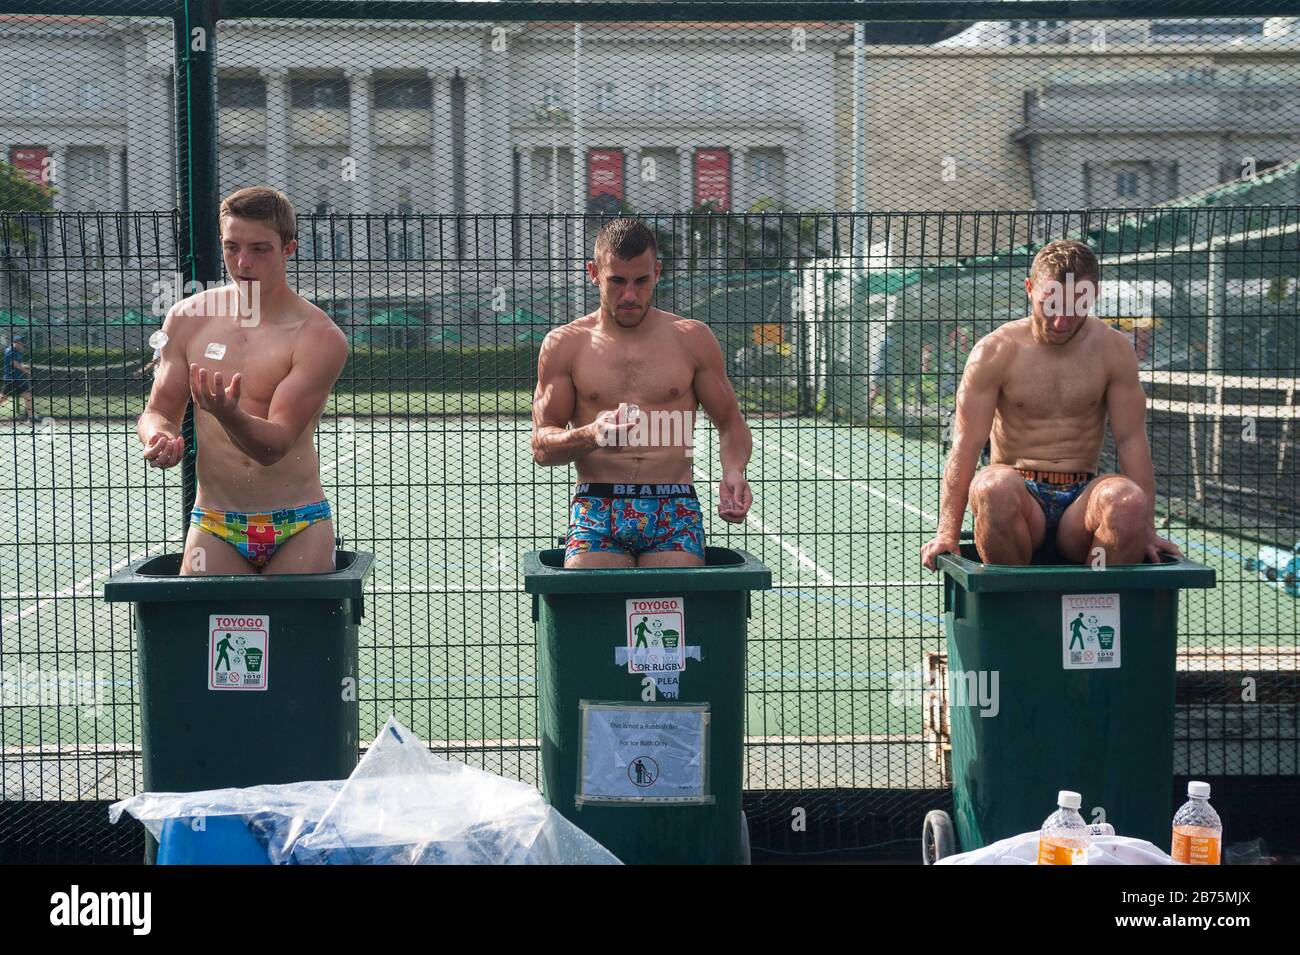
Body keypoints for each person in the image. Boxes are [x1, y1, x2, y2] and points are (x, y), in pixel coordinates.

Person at [920, 239, 1182, 570]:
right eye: (1051, 305)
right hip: (1019, 499)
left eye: (1076, 308)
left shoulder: (1113, 350)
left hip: (1082, 507)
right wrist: (948, 532)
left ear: (1094, 295)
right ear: (1030, 289)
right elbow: (967, 442)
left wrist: (1146, 530)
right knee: (992, 488)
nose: (1061, 322)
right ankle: (1016, 606)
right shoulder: (996, 350)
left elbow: (1131, 440)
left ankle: (1091, 609)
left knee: (1128, 501)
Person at [136, 186, 348, 575]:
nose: (242, 262)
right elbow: (159, 410)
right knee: (202, 633)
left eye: (259, 249)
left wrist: (227, 414)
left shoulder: (318, 335)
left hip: (299, 522)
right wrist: (158, 437)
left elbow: (275, 446)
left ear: (289, 249)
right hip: (215, 523)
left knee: (297, 636)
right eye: (231, 247)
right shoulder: (187, 318)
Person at [532, 216, 753, 568]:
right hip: (598, 505)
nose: (630, 295)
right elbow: (542, 447)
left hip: (674, 504)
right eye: (617, 281)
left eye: (641, 280)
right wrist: (592, 434)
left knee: (672, 610)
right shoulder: (565, 344)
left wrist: (734, 471)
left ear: (658, 272)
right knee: (595, 609)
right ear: (593, 273)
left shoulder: (692, 338)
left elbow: (729, 421)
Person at [0, 333, 36, 426]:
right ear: (15, 342)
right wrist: (26, 371)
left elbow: (20, 363)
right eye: (20, 342)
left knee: (28, 396)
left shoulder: (18, 351)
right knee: (3, 398)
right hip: (10, 378)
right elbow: (14, 364)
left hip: (19, 379)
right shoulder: (9, 351)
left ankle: (30, 419)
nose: (22, 344)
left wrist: (26, 367)